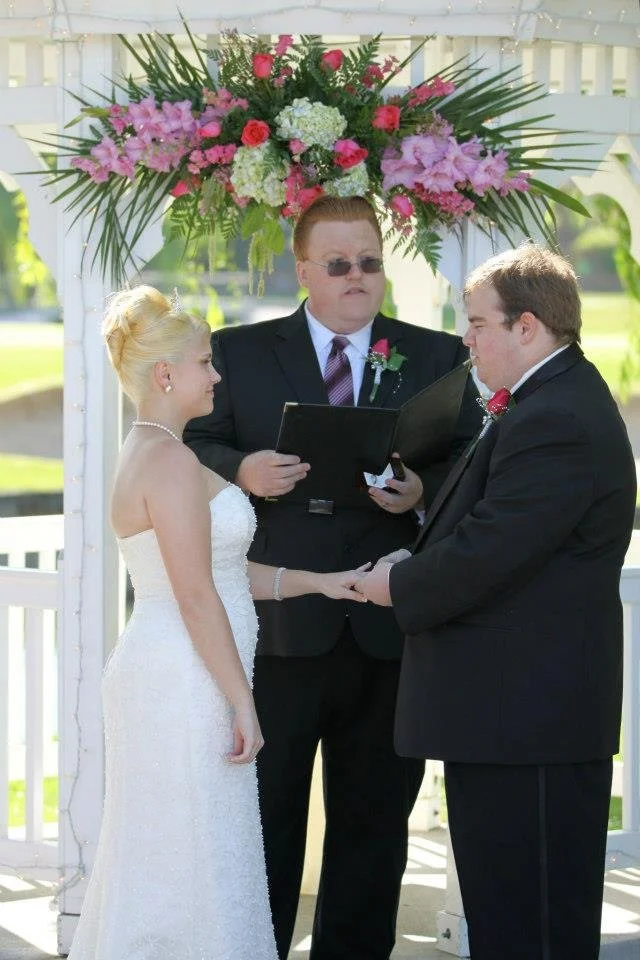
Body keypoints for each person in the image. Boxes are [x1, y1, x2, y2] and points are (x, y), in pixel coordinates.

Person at [184, 196, 481, 960]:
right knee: (265, 819)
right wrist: (243, 468)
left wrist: (421, 491)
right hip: (280, 629)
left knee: (375, 827)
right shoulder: (241, 352)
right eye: (340, 264)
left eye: (371, 263)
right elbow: (192, 443)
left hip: (388, 630)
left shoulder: (437, 355)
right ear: (304, 269)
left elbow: (469, 461)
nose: (358, 278)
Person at [355, 243, 637, 960]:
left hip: (528, 720)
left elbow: (493, 552)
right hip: (511, 718)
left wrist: (396, 584)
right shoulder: (548, 400)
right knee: (508, 911)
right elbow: (499, 528)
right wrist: (418, 532)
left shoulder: (557, 417)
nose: (466, 338)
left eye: (478, 322)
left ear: (528, 327)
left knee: (530, 923)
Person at [68, 285, 366, 960]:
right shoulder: (169, 460)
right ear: (165, 375)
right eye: (205, 363)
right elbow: (198, 596)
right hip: (185, 679)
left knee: (191, 851)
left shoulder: (160, 450)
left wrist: (317, 583)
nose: (217, 375)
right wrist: (242, 701)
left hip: (184, 669)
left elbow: (225, 572)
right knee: (186, 856)